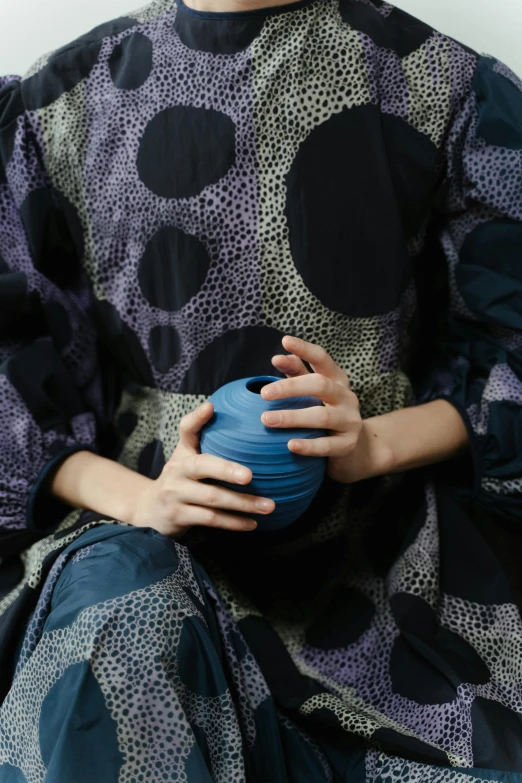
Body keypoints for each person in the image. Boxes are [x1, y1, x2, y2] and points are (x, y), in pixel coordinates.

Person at [0, 0, 522, 778]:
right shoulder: (57, 104)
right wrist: (146, 502)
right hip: (143, 543)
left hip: (384, 576)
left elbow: (508, 335)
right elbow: (12, 360)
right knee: (117, 631)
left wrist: (375, 441)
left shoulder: (443, 84)